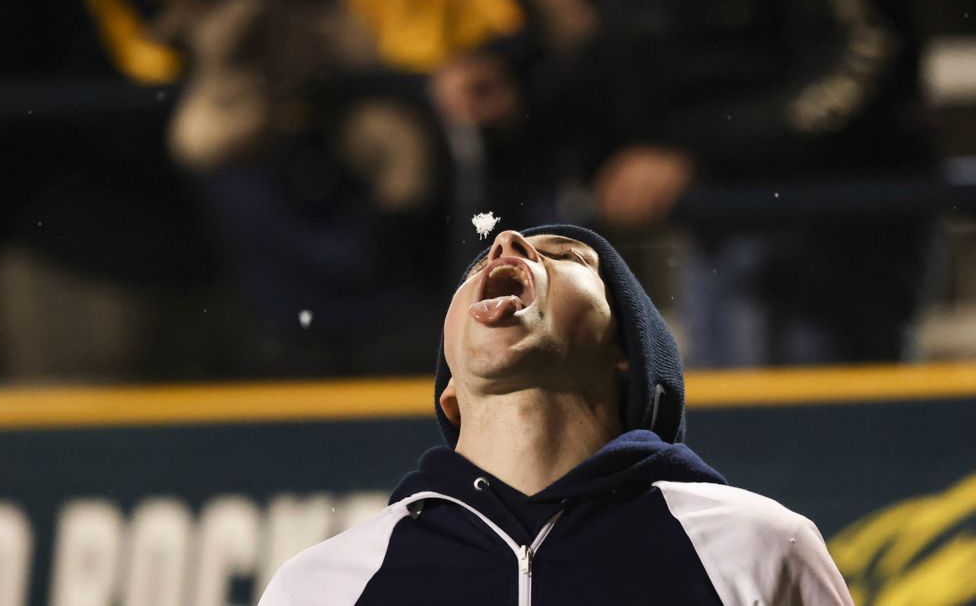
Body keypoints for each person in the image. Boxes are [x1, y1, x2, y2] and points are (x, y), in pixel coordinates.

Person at [258, 225, 853, 604]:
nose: (506, 244)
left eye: (565, 256)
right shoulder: (321, 587)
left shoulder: (760, 547)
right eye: (474, 272)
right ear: (451, 396)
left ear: (631, 355)